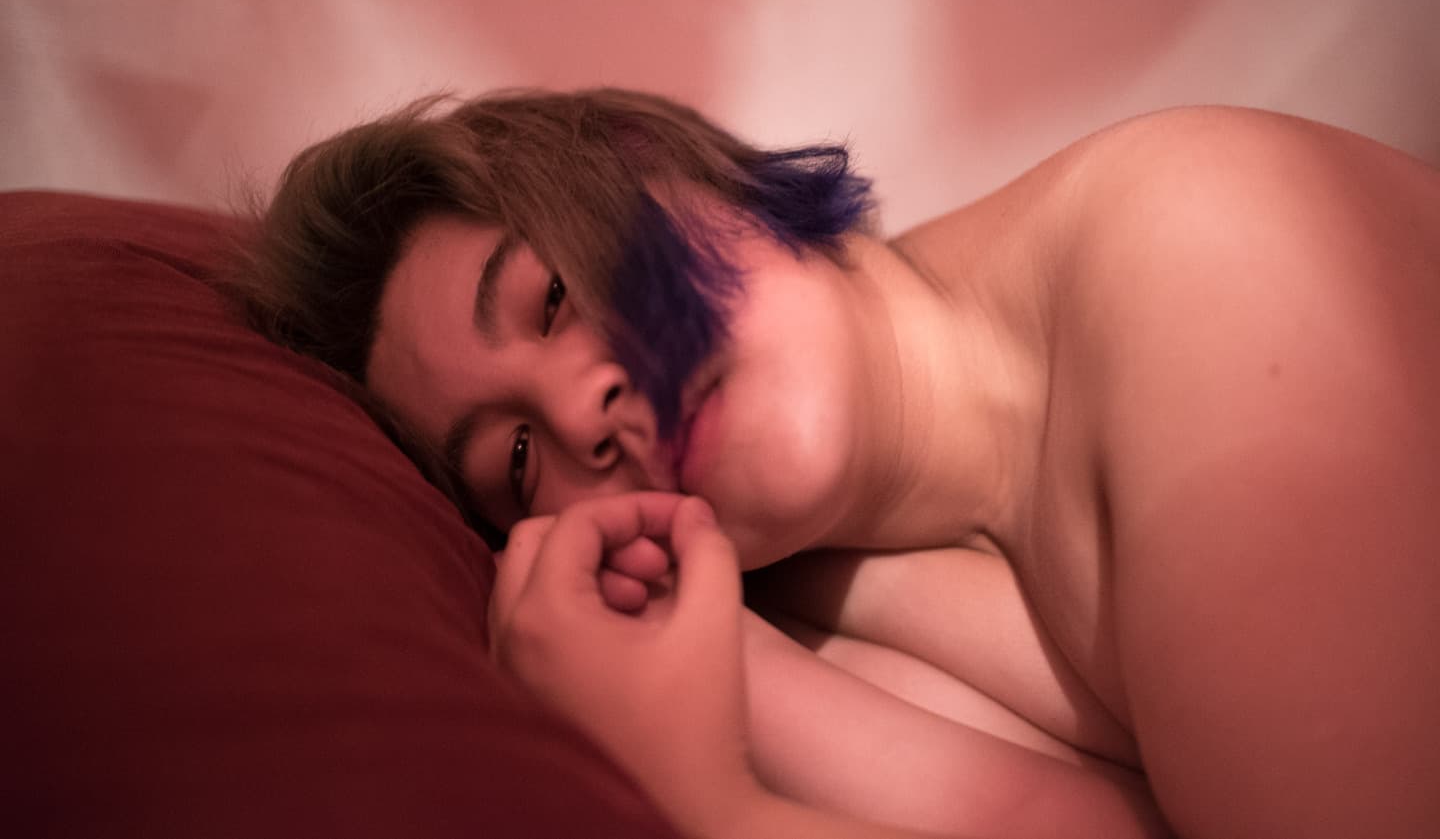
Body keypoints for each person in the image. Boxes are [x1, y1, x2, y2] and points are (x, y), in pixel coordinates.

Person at [245, 89, 1440, 839]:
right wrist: (724, 680)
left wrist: (712, 803)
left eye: (550, 295)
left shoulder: (1204, 253)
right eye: (516, 457)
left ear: (650, 156)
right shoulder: (803, 598)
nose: (581, 409)